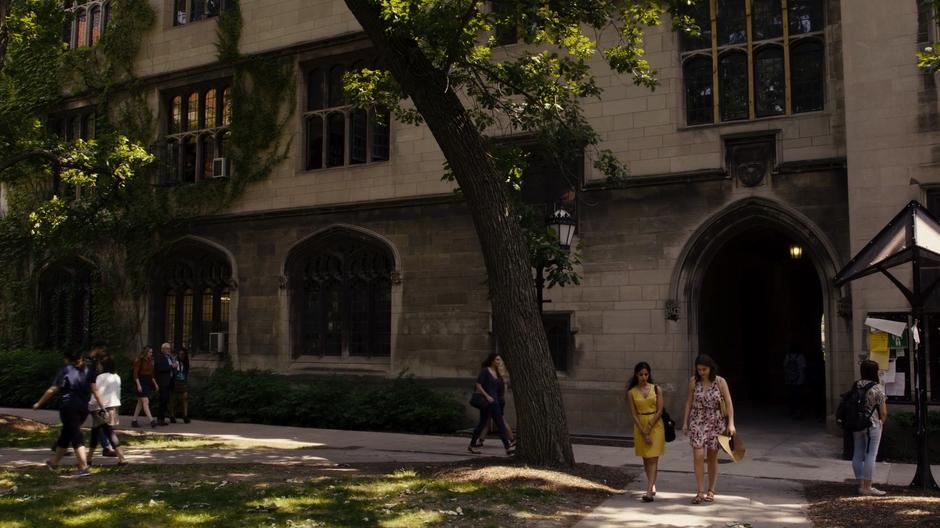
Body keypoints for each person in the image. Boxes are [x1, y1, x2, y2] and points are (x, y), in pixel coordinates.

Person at [32, 350, 107, 476]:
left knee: (75, 436)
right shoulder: (89, 371)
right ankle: (54, 463)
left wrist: (39, 403)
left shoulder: (66, 370)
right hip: (83, 408)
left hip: (69, 407)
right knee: (66, 434)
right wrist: (102, 406)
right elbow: (95, 390)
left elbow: (53, 389)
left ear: (68, 360)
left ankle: (83, 467)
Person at [682, 354, 735, 505]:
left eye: (704, 369)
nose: (701, 372)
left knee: (712, 457)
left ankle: (711, 490)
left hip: (715, 421)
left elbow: (729, 404)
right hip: (697, 420)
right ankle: (699, 491)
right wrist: (685, 422)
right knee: (698, 455)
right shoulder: (693, 381)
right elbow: (689, 402)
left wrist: (731, 423)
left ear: (710, 368)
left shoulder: (720, 381)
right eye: (699, 369)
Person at [627, 362, 665, 502]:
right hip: (640, 425)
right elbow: (633, 414)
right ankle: (652, 483)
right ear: (636, 375)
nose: (644, 377)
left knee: (653, 458)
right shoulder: (631, 393)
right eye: (641, 374)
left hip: (655, 425)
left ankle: (648, 490)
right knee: (646, 457)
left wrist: (649, 427)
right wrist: (643, 431)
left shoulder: (656, 389)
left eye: (646, 374)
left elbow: (660, 410)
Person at [468, 353, 515, 456]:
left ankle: (507, 448)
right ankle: (472, 445)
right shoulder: (485, 371)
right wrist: (487, 396)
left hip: (495, 403)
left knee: (499, 424)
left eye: (500, 360)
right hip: (487, 402)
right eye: (497, 360)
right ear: (492, 360)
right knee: (482, 424)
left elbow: (499, 389)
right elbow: (478, 385)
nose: (499, 362)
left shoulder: (498, 373)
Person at [852, 359, 888, 496]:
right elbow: (883, 412)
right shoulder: (877, 388)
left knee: (857, 454)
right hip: (872, 425)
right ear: (875, 372)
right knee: (871, 455)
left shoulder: (856, 385)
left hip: (857, 424)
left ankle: (860, 484)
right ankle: (867, 487)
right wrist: (881, 422)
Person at [87, 357, 127, 466]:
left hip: (100, 408)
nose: (98, 366)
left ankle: (122, 459)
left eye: (100, 364)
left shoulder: (100, 377)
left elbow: (96, 393)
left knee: (108, 432)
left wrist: (93, 405)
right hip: (113, 406)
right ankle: (88, 459)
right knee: (96, 432)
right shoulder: (117, 377)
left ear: (103, 366)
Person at [131, 346, 158, 428]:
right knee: (145, 401)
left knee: (140, 402)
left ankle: (134, 421)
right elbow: (135, 374)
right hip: (140, 381)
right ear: (146, 352)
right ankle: (152, 420)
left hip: (147, 382)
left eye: (152, 352)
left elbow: (151, 374)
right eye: (150, 352)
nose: (151, 354)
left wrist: (155, 383)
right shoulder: (139, 360)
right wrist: (138, 385)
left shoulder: (150, 361)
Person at [153, 342, 178, 426]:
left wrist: (174, 368)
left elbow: (173, 367)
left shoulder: (170, 357)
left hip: (170, 381)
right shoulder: (159, 357)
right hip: (162, 382)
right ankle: (160, 419)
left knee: (166, 400)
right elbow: (159, 368)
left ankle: (162, 418)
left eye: (169, 348)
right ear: (162, 349)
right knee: (163, 400)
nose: (168, 350)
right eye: (167, 348)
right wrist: (171, 366)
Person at [783, 345, 807, 419]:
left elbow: (784, 366)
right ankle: (799, 413)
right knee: (799, 397)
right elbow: (804, 367)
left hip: (789, 380)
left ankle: (791, 411)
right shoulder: (800, 356)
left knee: (791, 396)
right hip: (799, 380)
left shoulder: (788, 356)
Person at [169, 345, 191, 424]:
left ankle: (185, 415)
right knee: (172, 399)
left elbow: (186, 372)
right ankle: (172, 415)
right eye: (179, 354)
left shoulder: (186, 363)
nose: (181, 356)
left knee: (185, 397)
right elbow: (171, 370)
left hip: (183, 381)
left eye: (182, 354)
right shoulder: (175, 361)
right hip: (175, 381)